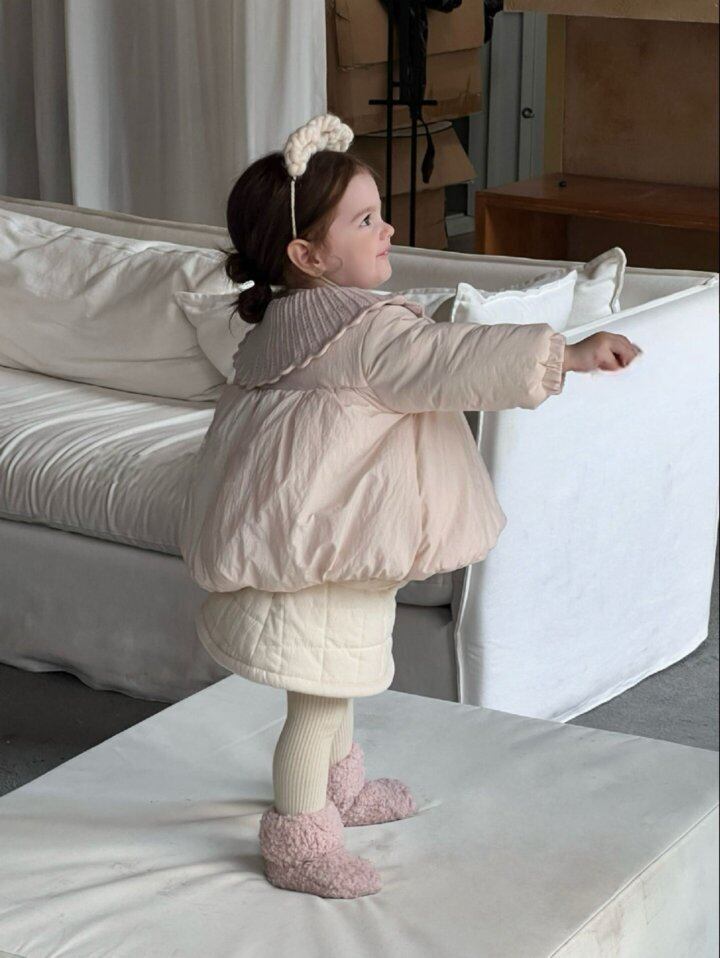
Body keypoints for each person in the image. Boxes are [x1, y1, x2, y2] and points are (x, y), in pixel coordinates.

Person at [178, 114, 641, 900]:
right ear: (307, 256)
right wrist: (565, 354)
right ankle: (300, 840)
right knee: (317, 703)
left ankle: (341, 791)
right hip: (320, 561)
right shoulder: (364, 334)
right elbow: (452, 359)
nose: (388, 228)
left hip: (312, 546)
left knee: (337, 679)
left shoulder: (285, 326)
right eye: (365, 221)